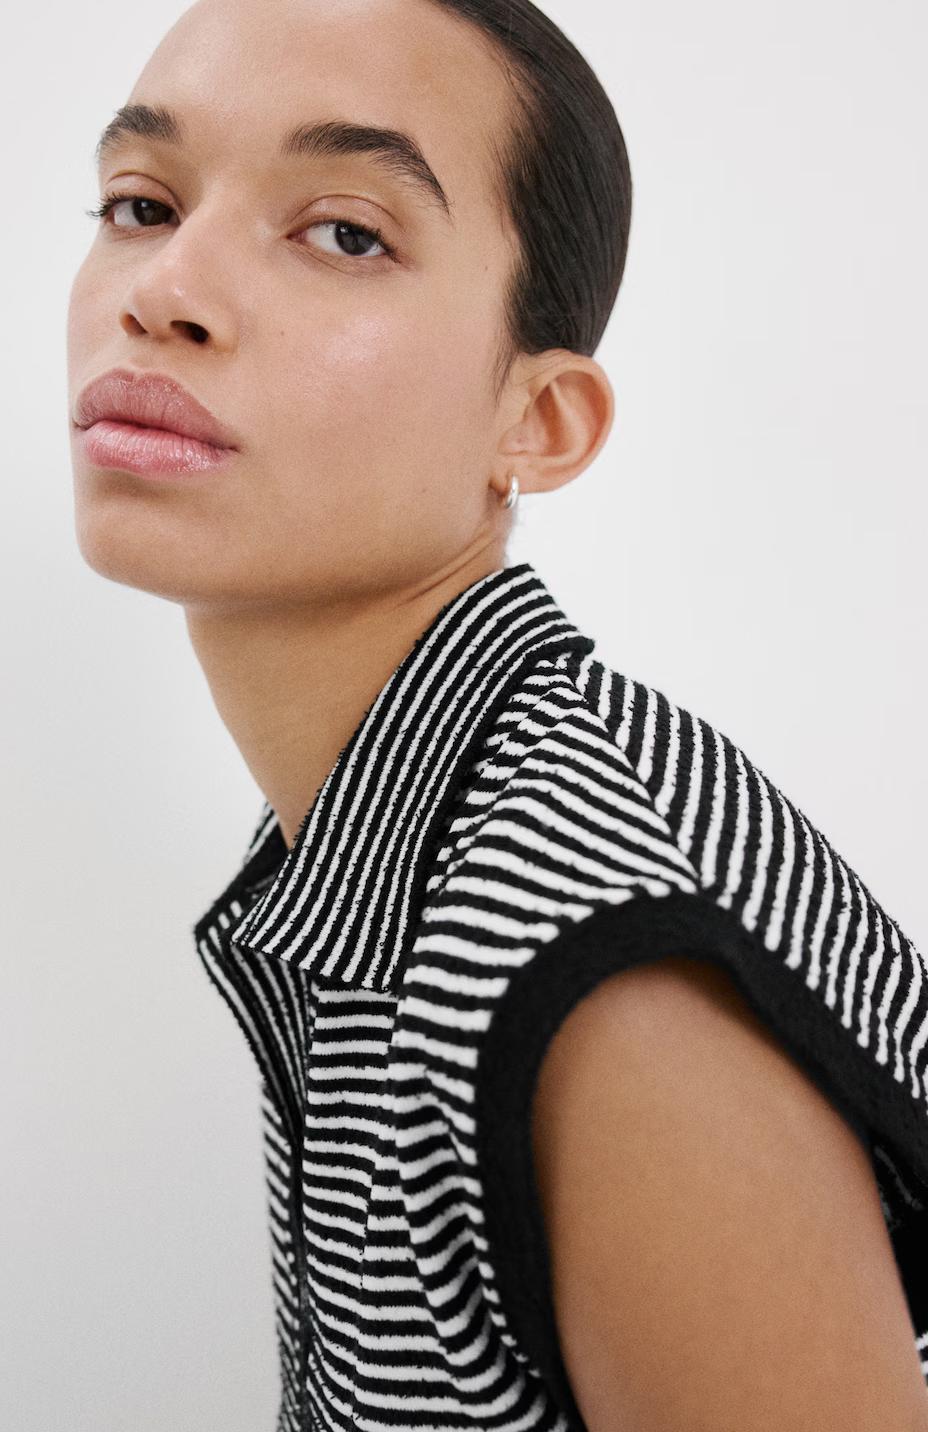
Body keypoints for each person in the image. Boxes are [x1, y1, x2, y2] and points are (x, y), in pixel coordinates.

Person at [66, 0, 928, 1427]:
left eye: (345, 232)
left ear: (537, 422)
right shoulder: (388, 843)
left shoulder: (592, 954)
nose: (165, 288)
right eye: (141, 204)